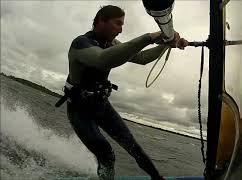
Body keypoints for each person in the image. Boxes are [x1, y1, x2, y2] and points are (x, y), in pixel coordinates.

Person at [55, 5, 188, 180]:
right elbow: (102, 60)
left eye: (123, 25)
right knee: (106, 153)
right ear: (101, 21)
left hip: (101, 105)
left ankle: (158, 179)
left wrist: (166, 44)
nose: (121, 29)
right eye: (117, 24)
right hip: (80, 110)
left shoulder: (112, 44)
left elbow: (141, 58)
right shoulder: (81, 43)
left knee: (134, 148)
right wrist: (150, 37)